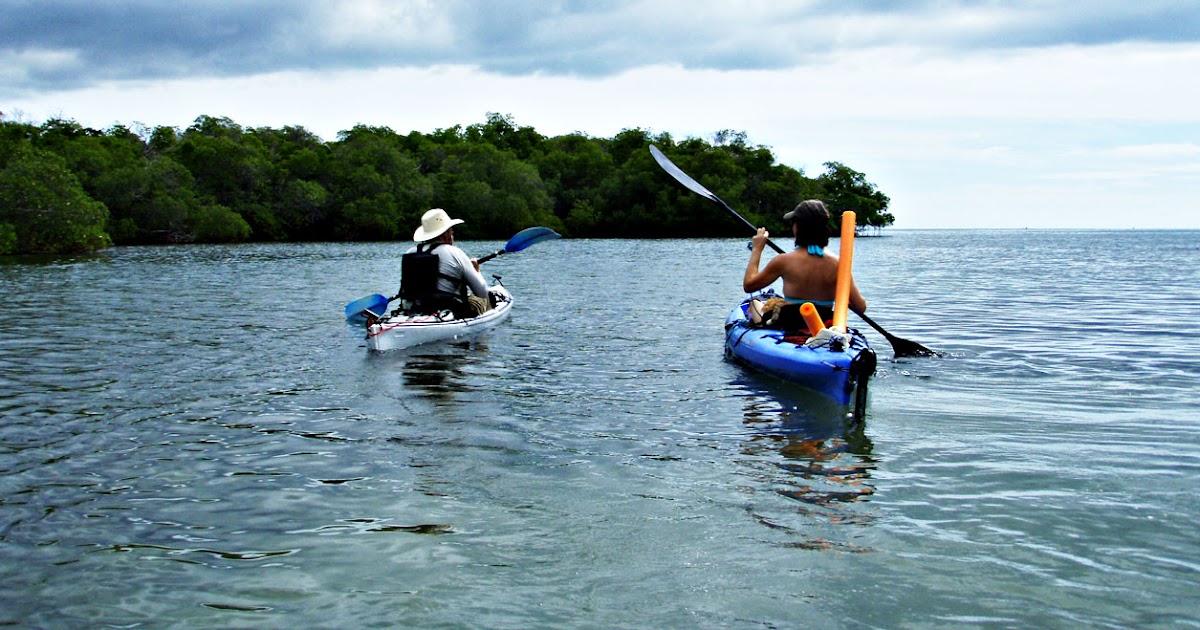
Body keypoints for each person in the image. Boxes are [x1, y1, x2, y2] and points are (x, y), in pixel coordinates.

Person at [743, 199, 866, 331]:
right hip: (823, 322)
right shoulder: (838, 264)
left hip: (788, 321)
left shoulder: (783, 261)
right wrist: (842, 297)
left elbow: (749, 285)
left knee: (754, 303)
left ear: (797, 227)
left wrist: (757, 249)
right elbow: (860, 307)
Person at [400, 208, 491, 318]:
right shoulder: (455, 253)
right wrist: (477, 271)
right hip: (449, 312)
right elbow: (482, 293)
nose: (452, 233)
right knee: (486, 302)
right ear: (445, 234)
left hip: (413, 310)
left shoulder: (410, 253)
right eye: (451, 230)